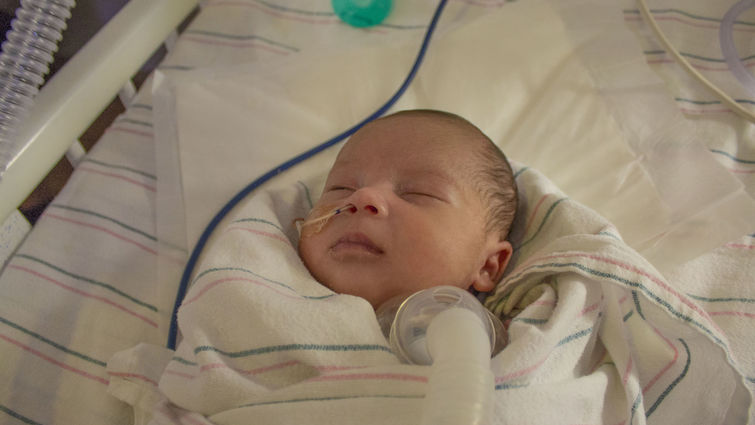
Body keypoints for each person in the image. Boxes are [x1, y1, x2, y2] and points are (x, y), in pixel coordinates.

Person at [298, 109, 518, 309]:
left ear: (487, 266)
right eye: (341, 188)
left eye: (418, 193)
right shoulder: (268, 273)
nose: (362, 196)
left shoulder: (478, 346)